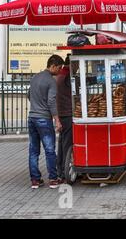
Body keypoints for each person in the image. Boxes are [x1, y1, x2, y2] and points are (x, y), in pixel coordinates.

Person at [27, 54, 64, 189]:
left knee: (33, 150)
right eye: (59, 68)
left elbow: (29, 95)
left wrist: (36, 106)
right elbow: (51, 101)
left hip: (32, 118)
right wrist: (57, 120)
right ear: (52, 66)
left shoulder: (35, 77)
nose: (60, 71)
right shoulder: (51, 81)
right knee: (49, 150)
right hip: (43, 119)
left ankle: (35, 180)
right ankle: (53, 179)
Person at [56, 54, 75, 183]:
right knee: (67, 143)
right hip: (67, 113)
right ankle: (64, 171)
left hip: (61, 113)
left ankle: (60, 170)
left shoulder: (60, 75)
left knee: (62, 143)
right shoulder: (68, 76)